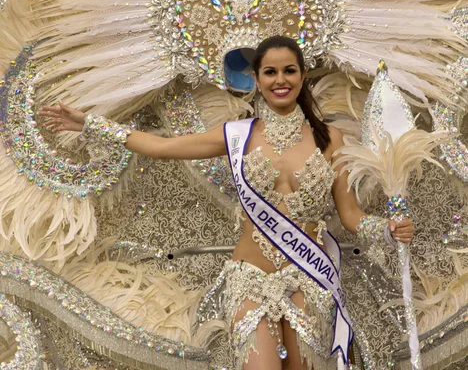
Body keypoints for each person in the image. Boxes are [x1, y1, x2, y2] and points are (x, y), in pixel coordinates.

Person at [39, 35, 414, 370]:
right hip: (249, 279)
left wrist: (386, 228)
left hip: (310, 278)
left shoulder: (331, 139)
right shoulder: (238, 136)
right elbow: (163, 147)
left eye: (289, 71)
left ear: (302, 77)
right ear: (256, 79)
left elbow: (350, 215)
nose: (280, 80)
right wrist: (90, 124)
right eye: (270, 72)